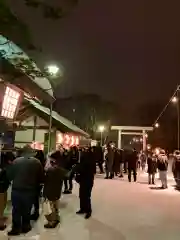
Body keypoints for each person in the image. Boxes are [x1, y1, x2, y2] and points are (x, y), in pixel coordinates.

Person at [7, 145, 44, 236]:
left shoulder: (16, 161)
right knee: (27, 209)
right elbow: (41, 178)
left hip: (17, 190)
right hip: (30, 190)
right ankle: (25, 226)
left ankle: (16, 228)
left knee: (16, 210)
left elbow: (10, 175)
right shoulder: (37, 162)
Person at [43, 151, 68, 228]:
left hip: (50, 189)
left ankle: (52, 222)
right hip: (57, 189)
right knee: (55, 204)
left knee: (51, 206)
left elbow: (45, 179)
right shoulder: (61, 168)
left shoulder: (52, 169)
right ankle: (56, 219)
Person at [74, 147, 96, 219]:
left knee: (86, 196)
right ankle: (83, 209)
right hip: (85, 181)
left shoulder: (88, 163)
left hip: (87, 181)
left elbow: (80, 169)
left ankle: (88, 210)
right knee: (82, 195)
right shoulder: (88, 161)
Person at [31, 150, 45, 221]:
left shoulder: (36, 162)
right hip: (39, 183)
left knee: (34, 198)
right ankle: (36, 212)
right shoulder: (42, 162)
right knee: (36, 198)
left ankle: (35, 213)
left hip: (34, 182)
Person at [0, 151, 12, 230]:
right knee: (1, 204)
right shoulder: (4, 167)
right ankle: (0, 223)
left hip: (4, 188)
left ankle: (1, 217)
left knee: (3, 203)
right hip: (1, 188)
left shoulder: (5, 166)